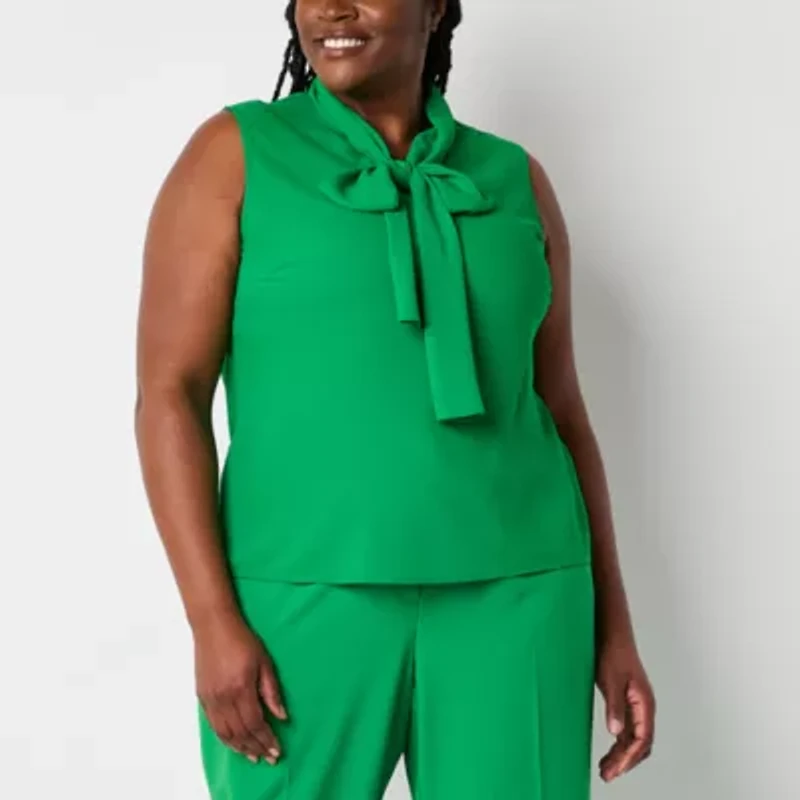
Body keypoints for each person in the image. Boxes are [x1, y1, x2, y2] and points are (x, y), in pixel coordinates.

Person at [134, 0, 656, 797]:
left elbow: (561, 411)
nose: (331, 9)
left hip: (521, 596)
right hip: (301, 596)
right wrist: (211, 619)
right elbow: (169, 394)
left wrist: (613, 627)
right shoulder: (235, 155)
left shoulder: (515, 179)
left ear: (436, 7)